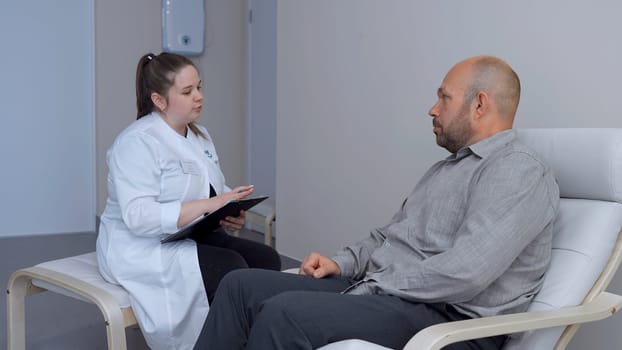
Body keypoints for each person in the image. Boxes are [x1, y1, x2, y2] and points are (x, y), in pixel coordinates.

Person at [199, 55, 560, 350]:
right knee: (239, 285)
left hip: (448, 319)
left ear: (480, 104)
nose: (432, 109)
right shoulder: (445, 169)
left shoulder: (518, 172)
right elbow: (389, 237)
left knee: (285, 314)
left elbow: (464, 273)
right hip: (392, 294)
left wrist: (378, 283)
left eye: (444, 98)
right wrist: (340, 264)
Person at [95, 52, 281, 350]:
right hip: (141, 246)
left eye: (199, 87)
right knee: (231, 269)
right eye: (187, 91)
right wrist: (212, 205)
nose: (199, 97)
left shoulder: (199, 136)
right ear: (158, 100)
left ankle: (261, 338)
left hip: (191, 233)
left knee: (266, 260)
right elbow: (138, 216)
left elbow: (213, 189)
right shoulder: (136, 142)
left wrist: (231, 208)